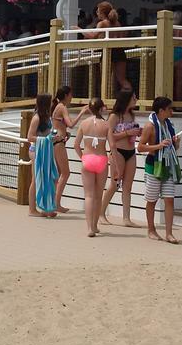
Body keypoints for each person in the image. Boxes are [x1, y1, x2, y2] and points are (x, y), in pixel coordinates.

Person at [137, 96, 182, 243]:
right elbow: (140, 147)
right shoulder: (150, 126)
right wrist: (158, 146)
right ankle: (151, 229)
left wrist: (176, 144)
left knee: (169, 199)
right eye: (169, 109)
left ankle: (169, 233)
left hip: (167, 165)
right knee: (152, 199)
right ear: (161, 110)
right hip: (153, 165)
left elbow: (172, 148)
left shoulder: (169, 125)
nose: (172, 111)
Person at [100, 89, 141, 227]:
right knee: (114, 184)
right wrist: (127, 132)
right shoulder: (115, 116)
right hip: (118, 151)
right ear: (126, 99)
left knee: (127, 186)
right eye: (133, 97)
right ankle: (101, 213)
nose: (135, 100)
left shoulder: (131, 115)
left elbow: (130, 133)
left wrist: (136, 133)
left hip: (131, 151)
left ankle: (126, 218)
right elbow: (109, 135)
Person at [73, 98, 110, 237]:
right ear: (101, 109)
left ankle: (89, 228)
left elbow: (76, 144)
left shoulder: (84, 123)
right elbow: (112, 146)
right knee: (98, 195)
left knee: (88, 195)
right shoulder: (106, 125)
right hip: (101, 159)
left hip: (87, 159)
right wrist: (117, 167)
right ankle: (95, 225)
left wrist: (83, 157)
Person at [51, 86, 89, 213]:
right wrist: (82, 112)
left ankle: (54, 202)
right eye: (71, 94)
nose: (72, 97)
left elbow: (59, 125)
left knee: (59, 174)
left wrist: (65, 133)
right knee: (65, 173)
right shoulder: (62, 107)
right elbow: (71, 124)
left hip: (58, 142)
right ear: (66, 95)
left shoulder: (58, 107)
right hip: (58, 143)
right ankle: (56, 203)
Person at [87, 1, 131, 93]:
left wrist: (79, 30)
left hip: (108, 52)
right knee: (122, 80)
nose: (97, 13)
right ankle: (130, 98)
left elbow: (92, 36)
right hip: (119, 52)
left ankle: (105, 102)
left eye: (98, 11)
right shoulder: (117, 23)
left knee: (105, 80)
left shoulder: (102, 24)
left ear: (102, 13)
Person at [27, 94, 58, 218]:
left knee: (49, 179)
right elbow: (30, 136)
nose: (52, 103)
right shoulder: (37, 118)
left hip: (46, 150)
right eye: (50, 101)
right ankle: (32, 209)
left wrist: (54, 138)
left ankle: (46, 208)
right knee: (36, 179)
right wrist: (45, 139)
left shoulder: (47, 117)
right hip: (36, 151)